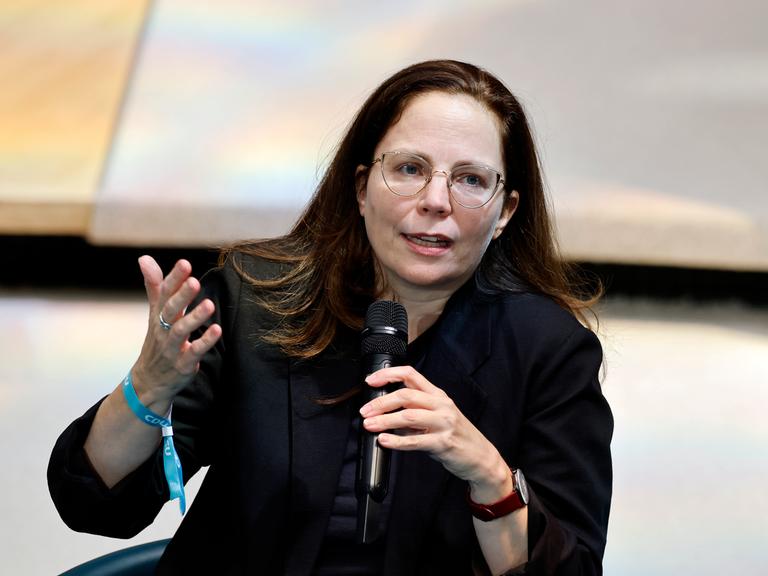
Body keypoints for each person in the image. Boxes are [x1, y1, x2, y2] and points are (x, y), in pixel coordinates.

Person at [48, 60, 612, 575]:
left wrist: (488, 473)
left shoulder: (549, 352)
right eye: (411, 168)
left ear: (505, 211)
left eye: (470, 179)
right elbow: (96, 504)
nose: (437, 200)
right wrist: (146, 390)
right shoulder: (255, 302)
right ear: (362, 187)